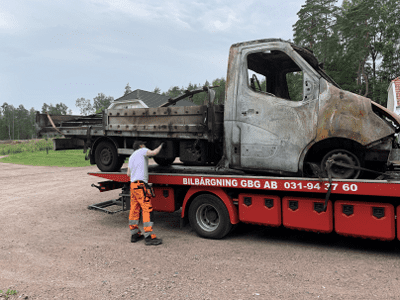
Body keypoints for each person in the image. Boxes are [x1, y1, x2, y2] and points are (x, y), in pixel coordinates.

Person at [127, 140, 164, 245]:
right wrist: (161, 146)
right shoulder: (142, 151)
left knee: (134, 209)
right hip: (140, 186)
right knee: (147, 209)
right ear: (140, 146)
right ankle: (148, 236)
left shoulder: (131, 157)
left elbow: (128, 174)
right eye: (144, 144)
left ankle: (135, 234)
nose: (145, 145)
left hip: (133, 185)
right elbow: (154, 153)